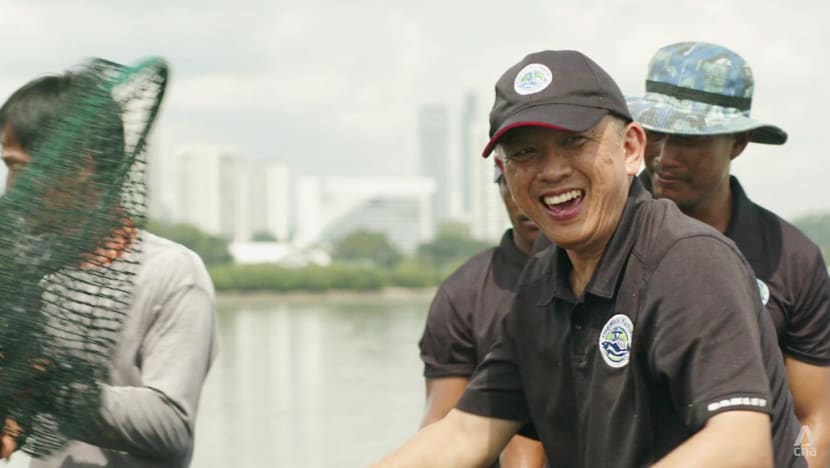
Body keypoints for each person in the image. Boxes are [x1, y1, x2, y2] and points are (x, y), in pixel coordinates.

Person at [373, 49, 805, 467]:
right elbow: (465, 433)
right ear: (505, 173)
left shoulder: (689, 261)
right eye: (525, 152)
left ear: (632, 148)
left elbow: (740, 449)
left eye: (574, 141)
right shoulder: (542, 283)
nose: (552, 170)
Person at [0, 61, 218, 467]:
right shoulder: (31, 271)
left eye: (20, 169)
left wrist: (50, 382)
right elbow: (22, 404)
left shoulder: (171, 274)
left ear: (81, 166)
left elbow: (171, 428)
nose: (11, 190)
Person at [628, 41, 830, 467]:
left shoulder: (790, 259)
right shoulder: (600, 236)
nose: (664, 156)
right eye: (655, 132)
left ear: (737, 143)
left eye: (687, 138)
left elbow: (815, 417)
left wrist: (802, 461)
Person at [418, 163, 545, 467]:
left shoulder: (617, 271)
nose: (524, 198)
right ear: (501, 190)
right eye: (511, 185)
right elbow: (442, 420)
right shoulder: (462, 294)